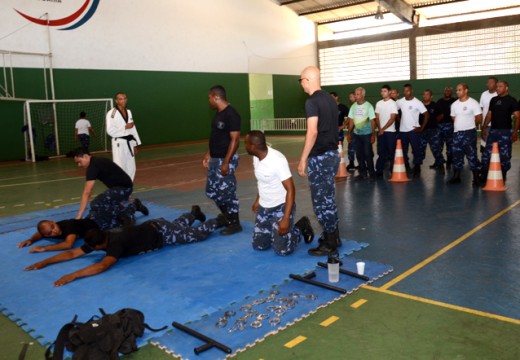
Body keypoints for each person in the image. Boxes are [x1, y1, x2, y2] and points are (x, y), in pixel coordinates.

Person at [24, 206, 226, 286]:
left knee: (196, 235)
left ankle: (218, 220)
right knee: (179, 227)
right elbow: (71, 254)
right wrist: (45, 262)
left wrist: (73, 275)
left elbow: (102, 266)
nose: (88, 250)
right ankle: (193, 214)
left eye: (91, 248)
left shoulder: (115, 247)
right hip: (155, 224)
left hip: (162, 234)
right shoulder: (102, 237)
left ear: (98, 246)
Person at [245, 131, 314, 256]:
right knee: (259, 246)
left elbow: (291, 189)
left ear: (253, 146)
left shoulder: (277, 160)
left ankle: (301, 226)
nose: (244, 146)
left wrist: (285, 218)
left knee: (282, 250)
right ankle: (275, 230)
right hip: (264, 206)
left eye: (246, 143)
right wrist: (258, 200)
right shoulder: (256, 157)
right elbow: (262, 180)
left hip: (281, 206)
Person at [297, 66, 341, 256]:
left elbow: (312, 131)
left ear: (307, 80)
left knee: (321, 202)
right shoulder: (330, 100)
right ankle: (333, 235)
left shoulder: (312, 101)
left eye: (301, 81)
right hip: (332, 154)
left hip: (320, 157)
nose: (301, 85)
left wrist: (302, 159)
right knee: (328, 198)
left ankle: (330, 243)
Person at [73, 148, 149, 231]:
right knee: (105, 205)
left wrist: (79, 215)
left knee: (100, 201)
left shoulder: (93, 167)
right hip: (121, 188)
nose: (79, 165)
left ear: (86, 156)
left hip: (124, 188)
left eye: (79, 162)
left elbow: (87, 193)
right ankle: (135, 204)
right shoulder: (97, 162)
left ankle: (129, 217)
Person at [203, 85, 242, 235]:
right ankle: (227, 216)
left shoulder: (232, 114)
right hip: (215, 158)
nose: (209, 101)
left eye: (209, 98)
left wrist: (226, 162)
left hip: (225, 160)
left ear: (216, 97)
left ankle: (235, 223)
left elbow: (235, 140)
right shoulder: (218, 114)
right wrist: (209, 153)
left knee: (228, 193)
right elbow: (216, 136)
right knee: (211, 191)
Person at [480, 80, 520, 183]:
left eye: (500, 86)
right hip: (493, 132)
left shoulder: (511, 100)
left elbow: (517, 117)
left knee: (505, 155)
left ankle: (503, 174)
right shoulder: (493, 100)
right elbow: (489, 115)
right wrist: (484, 128)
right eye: (497, 86)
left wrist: (515, 132)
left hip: (505, 132)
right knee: (486, 154)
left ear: (506, 88)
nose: (497, 88)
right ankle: (484, 174)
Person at [448, 83, 482, 186]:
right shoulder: (454, 105)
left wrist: (469, 125)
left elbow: (479, 118)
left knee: (471, 156)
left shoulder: (473, 103)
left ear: (466, 90)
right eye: (457, 90)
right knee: (456, 155)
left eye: (460, 90)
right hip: (457, 133)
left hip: (469, 133)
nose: (457, 91)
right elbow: (453, 118)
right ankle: (456, 176)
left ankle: (476, 178)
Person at [106, 92, 142, 181]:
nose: (123, 101)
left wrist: (134, 144)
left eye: (125, 98)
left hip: (129, 142)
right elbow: (110, 130)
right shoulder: (112, 113)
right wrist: (124, 127)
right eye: (121, 99)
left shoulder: (128, 112)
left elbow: (132, 129)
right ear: (116, 101)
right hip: (119, 143)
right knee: (120, 167)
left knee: (131, 168)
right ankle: (119, 191)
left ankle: (127, 191)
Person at [396, 84, 429, 177]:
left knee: (416, 149)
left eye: (407, 91)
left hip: (413, 130)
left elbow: (426, 115)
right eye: (404, 91)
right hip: (403, 131)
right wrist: (399, 119)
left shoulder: (417, 102)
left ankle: (417, 166)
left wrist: (421, 128)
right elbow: (394, 110)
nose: (405, 92)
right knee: (404, 150)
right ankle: (406, 166)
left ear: (411, 91)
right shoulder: (400, 101)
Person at [347, 87, 376, 181]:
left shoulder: (369, 106)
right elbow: (351, 120)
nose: (356, 96)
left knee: (368, 154)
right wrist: (349, 133)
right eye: (355, 94)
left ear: (363, 95)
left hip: (367, 134)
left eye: (358, 94)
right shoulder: (353, 106)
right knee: (359, 155)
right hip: (356, 134)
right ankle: (363, 173)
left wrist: (373, 134)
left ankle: (372, 174)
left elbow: (372, 121)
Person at [374, 85, 398, 178]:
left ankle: (393, 170)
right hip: (381, 132)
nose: (382, 93)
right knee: (381, 152)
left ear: (389, 92)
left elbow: (392, 118)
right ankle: (379, 171)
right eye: (381, 91)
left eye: (384, 91)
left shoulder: (393, 103)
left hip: (390, 132)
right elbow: (377, 117)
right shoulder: (378, 103)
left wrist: (383, 129)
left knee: (392, 152)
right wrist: (380, 129)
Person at [420, 89, 444, 171]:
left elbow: (441, 115)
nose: (425, 96)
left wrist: (434, 121)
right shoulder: (419, 105)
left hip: (433, 131)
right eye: (424, 94)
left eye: (427, 94)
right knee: (420, 149)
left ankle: (440, 164)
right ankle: (417, 166)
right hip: (422, 131)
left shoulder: (435, 105)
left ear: (431, 97)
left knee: (436, 149)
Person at [436, 86, 456, 168]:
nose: (447, 92)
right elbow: (435, 113)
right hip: (440, 126)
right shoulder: (439, 101)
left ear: (451, 92)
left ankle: (449, 160)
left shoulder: (455, 101)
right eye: (446, 90)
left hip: (450, 126)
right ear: (444, 92)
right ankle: (439, 161)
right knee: (438, 145)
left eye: (449, 91)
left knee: (450, 145)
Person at [479, 76, 498, 153]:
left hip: (497, 126)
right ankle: (485, 163)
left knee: (496, 146)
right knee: (485, 146)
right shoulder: (484, 94)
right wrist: (482, 124)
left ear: (496, 84)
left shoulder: (499, 94)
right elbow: (482, 109)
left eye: (491, 82)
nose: (488, 84)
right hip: (485, 125)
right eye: (488, 82)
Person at [346, 91, 358, 172]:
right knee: (352, 147)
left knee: (353, 147)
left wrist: (349, 132)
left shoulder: (356, 106)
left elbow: (351, 120)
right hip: (356, 130)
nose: (350, 98)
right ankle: (352, 163)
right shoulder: (353, 106)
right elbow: (349, 118)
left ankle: (353, 163)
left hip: (356, 130)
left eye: (351, 96)